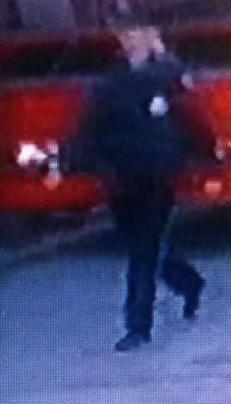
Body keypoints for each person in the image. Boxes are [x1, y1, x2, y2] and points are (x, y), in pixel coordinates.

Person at [71, 24, 213, 351]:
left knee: (143, 251)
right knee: (144, 245)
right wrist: (83, 160)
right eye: (127, 38)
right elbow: (90, 127)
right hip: (122, 177)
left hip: (156, 174)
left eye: (137, 37)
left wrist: (204, 154)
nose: (131, 43)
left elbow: (193, 118)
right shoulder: (110, 83)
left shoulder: (169, 78)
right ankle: (189, 282)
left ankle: (138, 326)